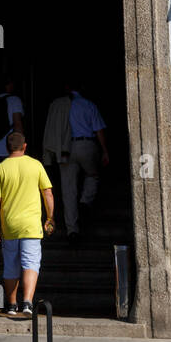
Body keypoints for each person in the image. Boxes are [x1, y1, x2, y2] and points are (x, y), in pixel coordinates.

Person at [0, 131, 54, 318]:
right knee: (30, 263)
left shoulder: (0, 168)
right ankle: (27, 302)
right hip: (31, 225)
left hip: (9, 225)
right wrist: (50, 217)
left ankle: (10, 304)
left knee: (10, 265)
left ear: (6, 147)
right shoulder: (36, 165)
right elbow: (47, 193)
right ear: (24, 146)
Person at [61, 82, 109, 243]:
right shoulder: (89, 105)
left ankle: (71, 230)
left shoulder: (62, 106)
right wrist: (104, 150)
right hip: (87, 144)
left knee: (68, 189)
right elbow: (99, 129)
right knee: (92, 175)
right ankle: (85, 201)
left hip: (66, 146)